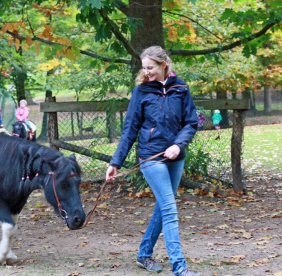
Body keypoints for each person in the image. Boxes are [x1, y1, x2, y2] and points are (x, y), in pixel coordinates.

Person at [105, 46, 200, 276]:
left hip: (175, 157)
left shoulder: (180, 88)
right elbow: (129, 130)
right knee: (169, 209)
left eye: (151, 67)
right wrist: (115, 162)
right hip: (151, 157)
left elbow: (191, 122)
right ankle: (180, 268)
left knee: (162, 207)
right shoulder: (142, 91)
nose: (146, 72)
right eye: (144, 68)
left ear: (163, 65)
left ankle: (144, 253)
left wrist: (178, 145)